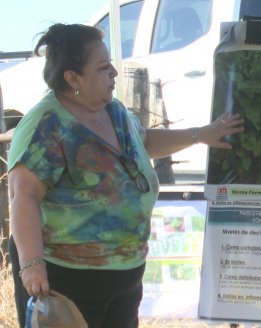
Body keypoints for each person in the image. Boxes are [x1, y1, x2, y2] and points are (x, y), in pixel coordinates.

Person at [8, 23, 244, 328]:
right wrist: (32, 265)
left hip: (124, 274)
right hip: (67, 278)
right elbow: (23, 196)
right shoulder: (46, 124)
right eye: (104, 68)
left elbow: (143, 141)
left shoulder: (113, 110)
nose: (114, 74)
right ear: (72, 78)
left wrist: (201, 134)